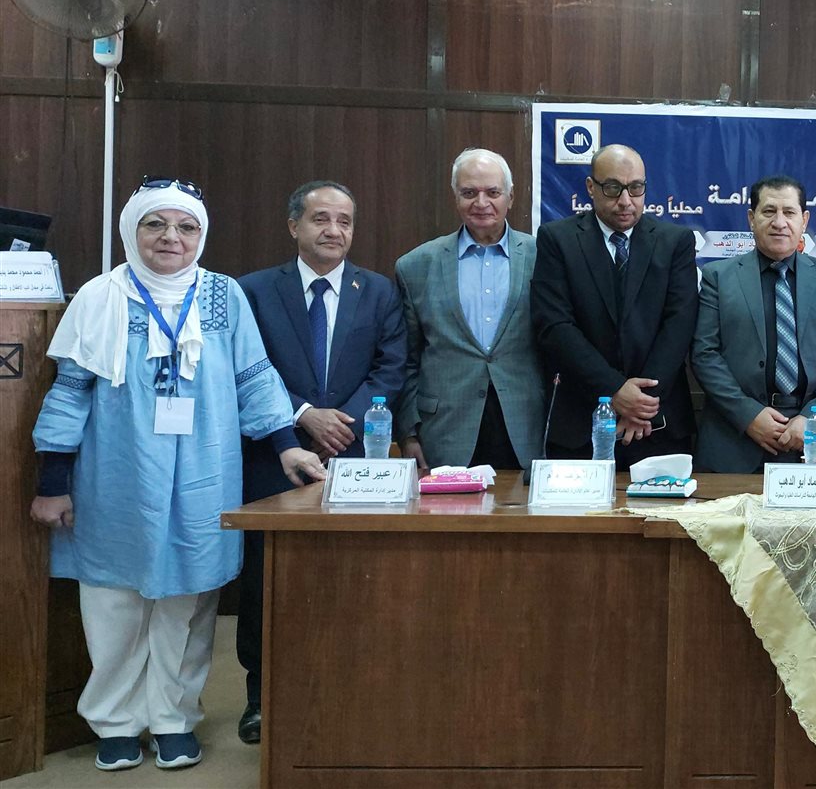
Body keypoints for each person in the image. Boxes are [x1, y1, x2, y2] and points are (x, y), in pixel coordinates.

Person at [28, 181, 324, 773]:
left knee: (188, 601)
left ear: (201, 235)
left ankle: (173, 718)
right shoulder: (99, 296)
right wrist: (52, 480)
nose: (172, 238)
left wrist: (287, 446)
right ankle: (114, 721)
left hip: (204, 469)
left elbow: (254, 376)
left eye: (186, 227)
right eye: (156, 225)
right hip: (117, 471)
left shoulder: (224, 295)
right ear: (131, 231)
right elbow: (70, 392)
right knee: (114, 600)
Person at [234, 180, 405, 743]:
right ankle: (260, 697)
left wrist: (341, 422)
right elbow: (245, 368)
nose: (334, 231)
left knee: (350, 575)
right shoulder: (253, 291)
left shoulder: (378, 291)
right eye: (320, 219)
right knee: (268, 578)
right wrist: (304, 415)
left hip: (355, 456)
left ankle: (349, 689)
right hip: (274, 452)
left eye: (344, 221)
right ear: (294, 226)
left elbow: (391, 368)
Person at [532, 145, 698, 465]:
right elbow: (554, 327)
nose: (625, 201)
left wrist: (641, 404)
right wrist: (615, 391)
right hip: (581, 423)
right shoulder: (558, 239)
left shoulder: (675, 241)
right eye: (612, 188)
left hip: (657, 422)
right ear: (590, 187)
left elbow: (679, 326)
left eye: (635, 188)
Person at [691, 174, 816, 472]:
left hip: (811, 442)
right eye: (769, 211)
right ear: (751, 218)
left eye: (789, 212)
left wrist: (813, 419)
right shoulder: (718, 277)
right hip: (735, 441)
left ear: (804, 221)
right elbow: (705, 354)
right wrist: (748, 416)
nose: (779, 222)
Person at [394, 148, 547, 473]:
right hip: (444, 432)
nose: (481, 202)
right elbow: (406, 360)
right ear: (455, 197)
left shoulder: (544, 257)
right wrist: (407, 433)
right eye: (469, 193)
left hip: (526, 427)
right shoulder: (415, 266)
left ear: (511, 197)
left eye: (492, 192)